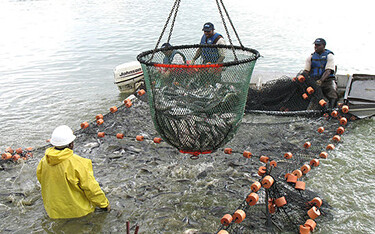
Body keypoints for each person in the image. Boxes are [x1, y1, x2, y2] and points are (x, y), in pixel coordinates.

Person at [37, 125, 110, 219]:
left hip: (53, 212)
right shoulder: (78, 163)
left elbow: (42, 180)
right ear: (71, 144)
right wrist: (104, 205)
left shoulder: (44, 161)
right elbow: (91, 189)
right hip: (78, 212)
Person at [303, 38, 338, 108]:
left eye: (318, 45)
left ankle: (331, 110)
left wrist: (321, 81)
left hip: (327, 80)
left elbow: (328, 71)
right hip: (313, 81)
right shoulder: (311, 57)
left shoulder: (329, 56)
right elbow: (306, 71)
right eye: (315, 45)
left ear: (324, 46)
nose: (316, 47)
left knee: (332, 94)